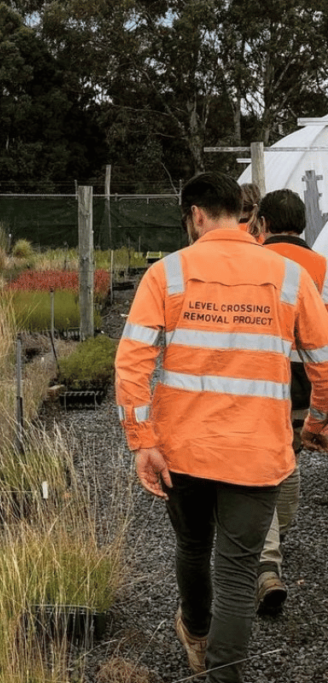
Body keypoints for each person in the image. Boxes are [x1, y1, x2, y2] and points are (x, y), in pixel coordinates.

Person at [115, 172, 328, 682]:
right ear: (243, 212)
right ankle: (222, 674)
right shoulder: (290, 276)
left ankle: (195, 632)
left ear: (195, 215)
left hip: (183, 450)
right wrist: (318, 418)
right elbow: (323, 360)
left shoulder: (167, 274)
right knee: (237, 571)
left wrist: (142, 441)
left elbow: (132, 360)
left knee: (192, 547)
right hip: (258, 453)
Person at [254, 189, 328, 614]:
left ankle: (268, 556)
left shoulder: (259, 262)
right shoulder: (319, 266)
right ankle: (276, 537)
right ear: (303, 224)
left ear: (262, 222)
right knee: (288, 458)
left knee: (264, 465)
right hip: (305, 383)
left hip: (264, 381)